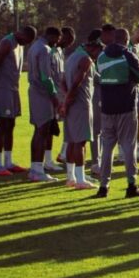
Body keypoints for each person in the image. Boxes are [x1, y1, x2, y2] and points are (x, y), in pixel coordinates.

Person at [95, 28, 139, 199]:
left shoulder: (101, 56)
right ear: (126, 40)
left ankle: (103, 186)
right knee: (128, 147)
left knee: (107, 149)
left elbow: (100, 76)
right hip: (126, 107)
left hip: (107, 108)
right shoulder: (129, 55)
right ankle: (131, 186)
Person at [0, 25, 37, 176]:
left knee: (11, 123)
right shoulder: (6, 43)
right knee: (2, 123)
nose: (26, 43)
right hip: (2, 88)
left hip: (13, 89)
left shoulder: (19, 45)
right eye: (27, 40)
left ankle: (8, 162)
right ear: (21, 34)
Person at [61, 36, 103, 189]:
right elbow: (78, 80)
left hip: (73, 103)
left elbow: (63, 81)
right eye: (99, 51)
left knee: (72, 141)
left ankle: (71, 177)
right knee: (81, 142)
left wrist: (66, 98)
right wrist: (69, 99)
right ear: (93, 48)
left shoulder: (71, 57)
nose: (99, 55)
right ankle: (80, 179)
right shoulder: (86, 59)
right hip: (81, 104)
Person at [26, 27, 62, 182]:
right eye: (57, 39)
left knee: (39, 131)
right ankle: (37, 170)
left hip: (34, 91)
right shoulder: (45, 49)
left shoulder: (34, 46)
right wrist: (54, 96)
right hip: (42, 92)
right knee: (42, 131)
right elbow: (46, 77)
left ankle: (35, 168)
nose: (57, 43)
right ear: (52, 36)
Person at [90, 24, 117, 176]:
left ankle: (100, 161)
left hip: (104, 92)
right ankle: (95, 162)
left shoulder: (106, 50)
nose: (113, 40)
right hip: (96, 92)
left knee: (103, 129)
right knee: (96, 129)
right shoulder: (97, 49)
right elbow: (94, 74)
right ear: (105, 34)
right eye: (112, 36)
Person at [52, 26, 75, 167]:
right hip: (53, 94)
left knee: (69, 124)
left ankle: (63, 154)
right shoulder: (51, 50)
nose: (70, 44)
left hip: (61, 93)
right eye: (69, 40)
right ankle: (47, 159)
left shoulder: (61, 51)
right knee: (49, 127)